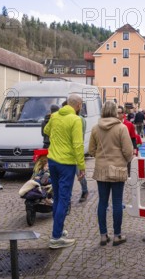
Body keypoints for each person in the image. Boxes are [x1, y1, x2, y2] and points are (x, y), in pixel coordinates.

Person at [43, 94, 86, 249]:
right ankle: (55, 237)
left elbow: (47, 131)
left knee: (57, 196)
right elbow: (78, 145)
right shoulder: (75, 119)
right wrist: (81, 166)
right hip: (66, 163)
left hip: (53, 160)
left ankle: (58, 230)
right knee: (64, 199)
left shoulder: (54, 116)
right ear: (79, 105)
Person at [89, 101, 134, 247]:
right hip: (118, 169)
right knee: (117, 202)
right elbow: (128, 152)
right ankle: (117, 235)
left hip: (101, 169)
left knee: (102, 202)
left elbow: (91, 150)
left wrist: (101, 156)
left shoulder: (96, 128)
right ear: (115, 111)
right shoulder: (121, 128)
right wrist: (125, 160)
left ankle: (103, 235)